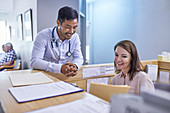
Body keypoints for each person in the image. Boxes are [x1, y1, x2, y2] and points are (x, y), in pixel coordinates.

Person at [31, 6, 83, 77]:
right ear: (58, 23)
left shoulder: (75, 37)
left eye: (74, 27)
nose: (71, 31)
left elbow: (78, 57)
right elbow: (35, 62)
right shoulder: (43, 36)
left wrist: (74, 66)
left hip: (64, 76)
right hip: (45, 76)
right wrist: (60, 68)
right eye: (68, 27)